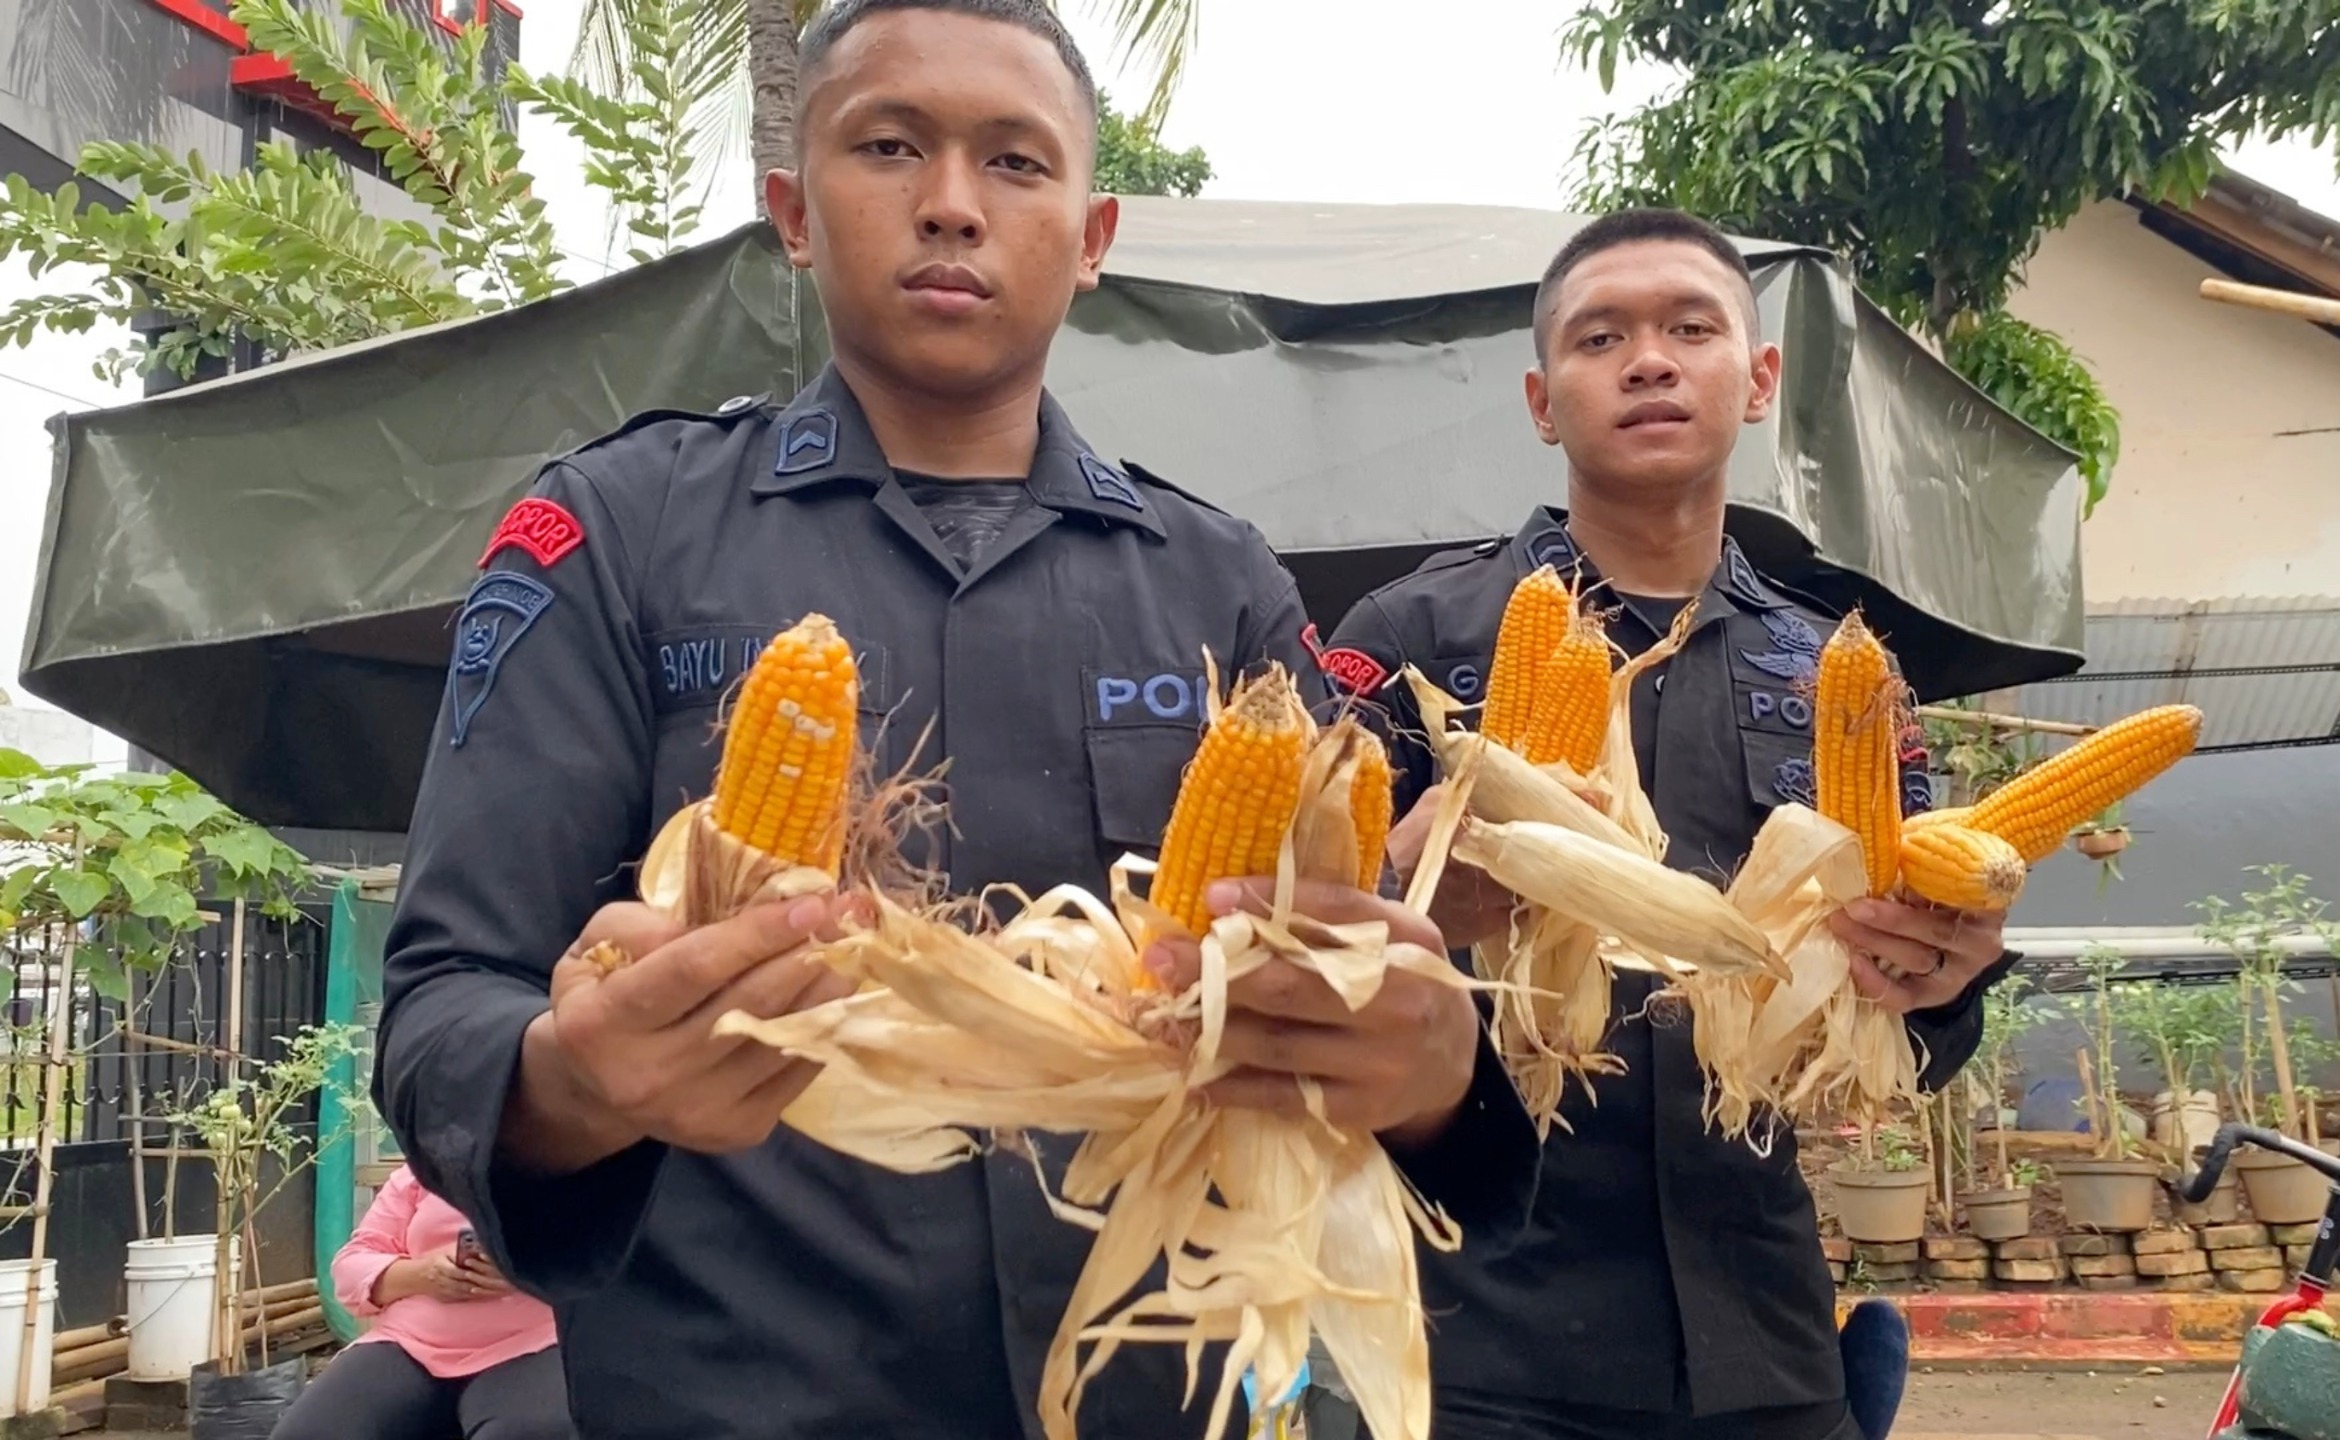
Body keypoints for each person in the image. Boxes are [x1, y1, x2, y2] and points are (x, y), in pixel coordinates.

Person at [370, 2, 1537, 1437]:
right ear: (793, 214)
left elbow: (1349, 986)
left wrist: (1432, 1074)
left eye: (1015, 163)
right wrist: (572, 1080)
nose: (950, 206)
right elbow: (442, 1003)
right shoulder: (611, 537)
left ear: (1095, 235)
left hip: (1161, 1390)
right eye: (889, 146)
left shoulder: (1220, 578)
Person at [1321, 209, 2020, 1440]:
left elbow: (1911, 1032)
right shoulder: (1406, 640)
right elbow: (1282, 937)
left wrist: (1941, 982)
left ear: (1756, 382)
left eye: (1689, 329)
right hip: (1463, 1331)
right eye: (1602, 337)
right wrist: (1401, 882)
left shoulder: (1839, 675)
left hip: (1758, 1338)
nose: (1648, 360)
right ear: (1543, 401)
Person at [272, 1164, 572, 1440]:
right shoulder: (421, 1172)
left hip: (532, 1343)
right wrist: (422, 1274)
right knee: (309, 1432)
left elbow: (608, 1262)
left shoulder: (570, 1166)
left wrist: (526, 1272)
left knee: (529, 1433)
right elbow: (350, 1268)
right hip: (411, 1345)